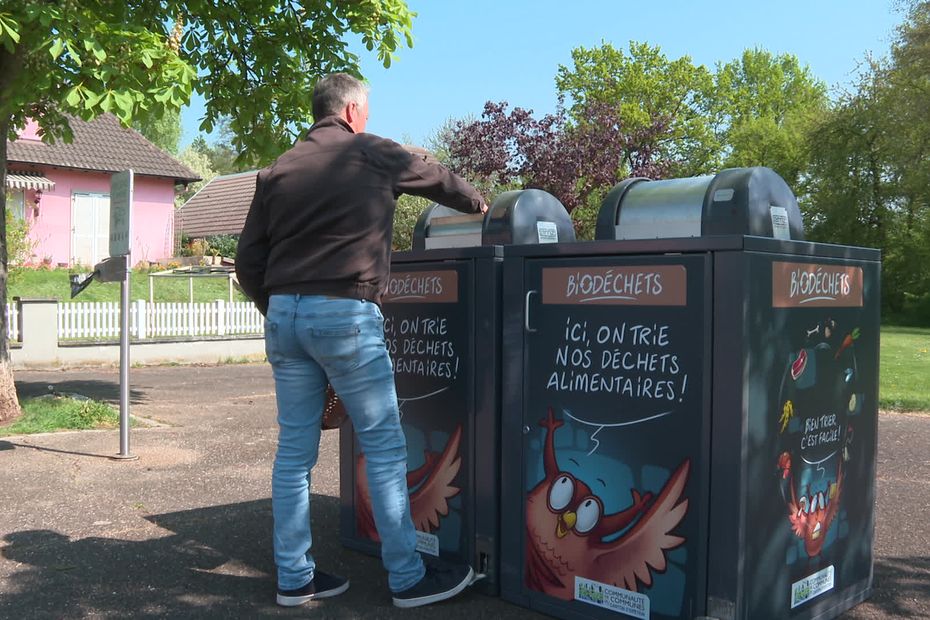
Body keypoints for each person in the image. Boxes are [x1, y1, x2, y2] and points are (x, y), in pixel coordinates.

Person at [235, 72, 488, 609]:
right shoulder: (372, 153)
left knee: (294, 454)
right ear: (352, 111)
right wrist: (476, 204)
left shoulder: (277, 169)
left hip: (284, 315)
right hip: (346, 313)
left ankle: (294, 578)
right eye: (367, 110)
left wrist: (282, 309)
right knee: (384, 447)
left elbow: (248, 261)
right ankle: (407, 579)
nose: (368, 118)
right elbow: (437, 177)